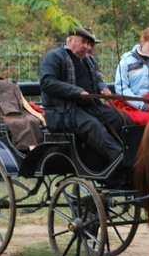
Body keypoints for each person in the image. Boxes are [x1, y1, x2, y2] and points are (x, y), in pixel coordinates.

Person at [38, 26, 126, 165]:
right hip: (63, 111)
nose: (87, 47)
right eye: (83, 42)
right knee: (93, 126)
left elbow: (96, 79)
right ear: (71, 40)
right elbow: (47, 82)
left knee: (121, 119)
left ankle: (132, 154)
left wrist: (102, 87)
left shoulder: (87, 60)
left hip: (90, 108)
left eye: (89, 43)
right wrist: (76, 91)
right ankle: (119, 160)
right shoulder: (54, 57)